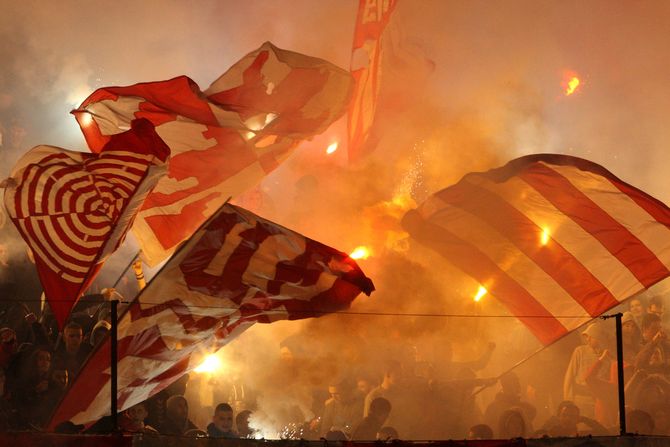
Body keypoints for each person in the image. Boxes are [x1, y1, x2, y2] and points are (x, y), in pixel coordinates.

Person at [541, 401, 608, 437]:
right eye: (564, 415)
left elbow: (605, 433)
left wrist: (585, 419)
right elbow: (537, 435)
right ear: (559, 416)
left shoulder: (582, 435)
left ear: (577, 419)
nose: (567, 418)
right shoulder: (551, 432)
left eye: (572, 416)